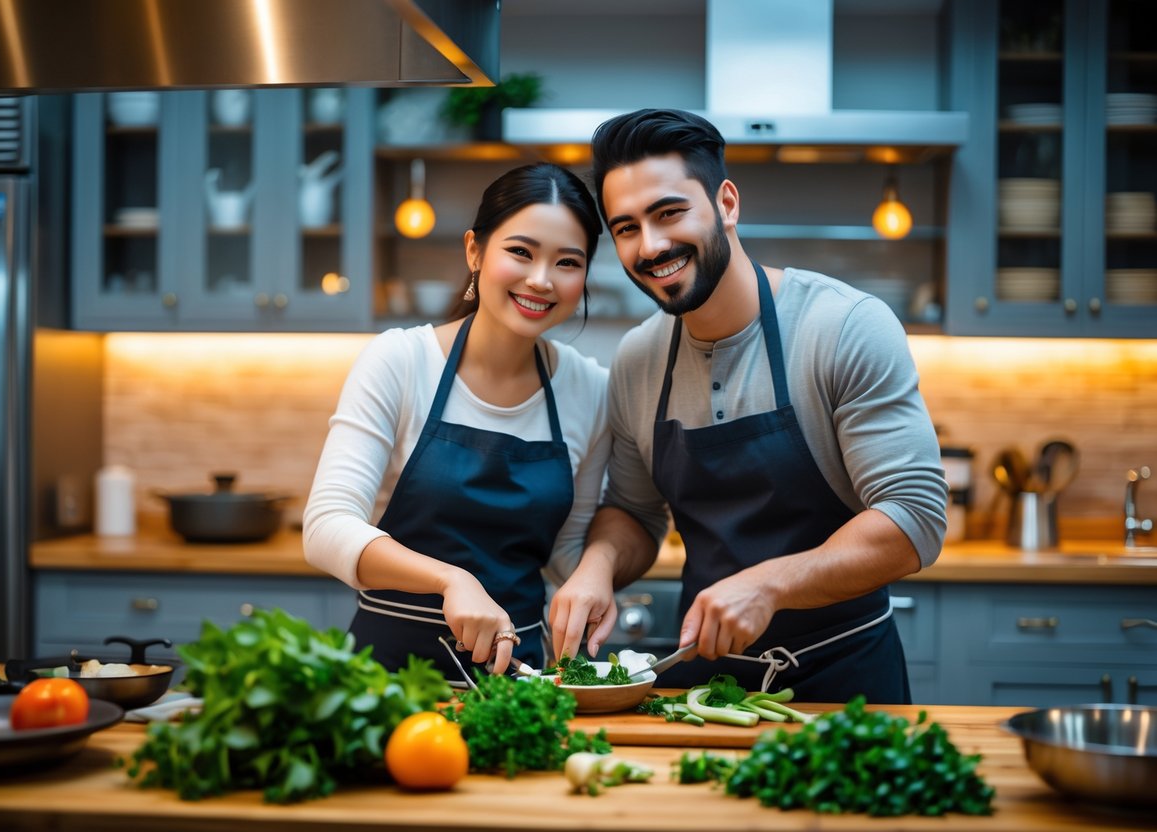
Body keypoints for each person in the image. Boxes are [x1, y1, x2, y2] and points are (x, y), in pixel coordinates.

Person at [548, 109, 947, 704]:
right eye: (626, 228)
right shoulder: (638, 359)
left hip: (845, 685)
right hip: (708, 689)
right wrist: (598, 565)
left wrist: (771, 585)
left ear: (726, 204)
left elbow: (915, 516)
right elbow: (634, 510)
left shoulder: (843, 327)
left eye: (669, 212)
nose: (651, 246)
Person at [304, 163, 610, 686]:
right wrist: (451, 581)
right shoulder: (400, 360)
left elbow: (567, 550)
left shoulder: (590, 388)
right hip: (388, 685)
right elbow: (326, 527)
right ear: (475, 251)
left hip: (521, 684)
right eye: (521, 251)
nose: (541, 279)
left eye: (567, 262)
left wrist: (595, 577)